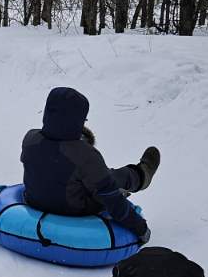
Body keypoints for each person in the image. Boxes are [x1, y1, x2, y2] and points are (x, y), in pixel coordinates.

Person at [21, 86, 159, 242]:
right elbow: (112, 201)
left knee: (81, 174)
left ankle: (116, 181)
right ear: (78, 120)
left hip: (35, 201)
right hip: (73, 210)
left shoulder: (30, 139)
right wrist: (141, 229)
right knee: (111, 178)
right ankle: (141, 175)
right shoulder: (86, 155)